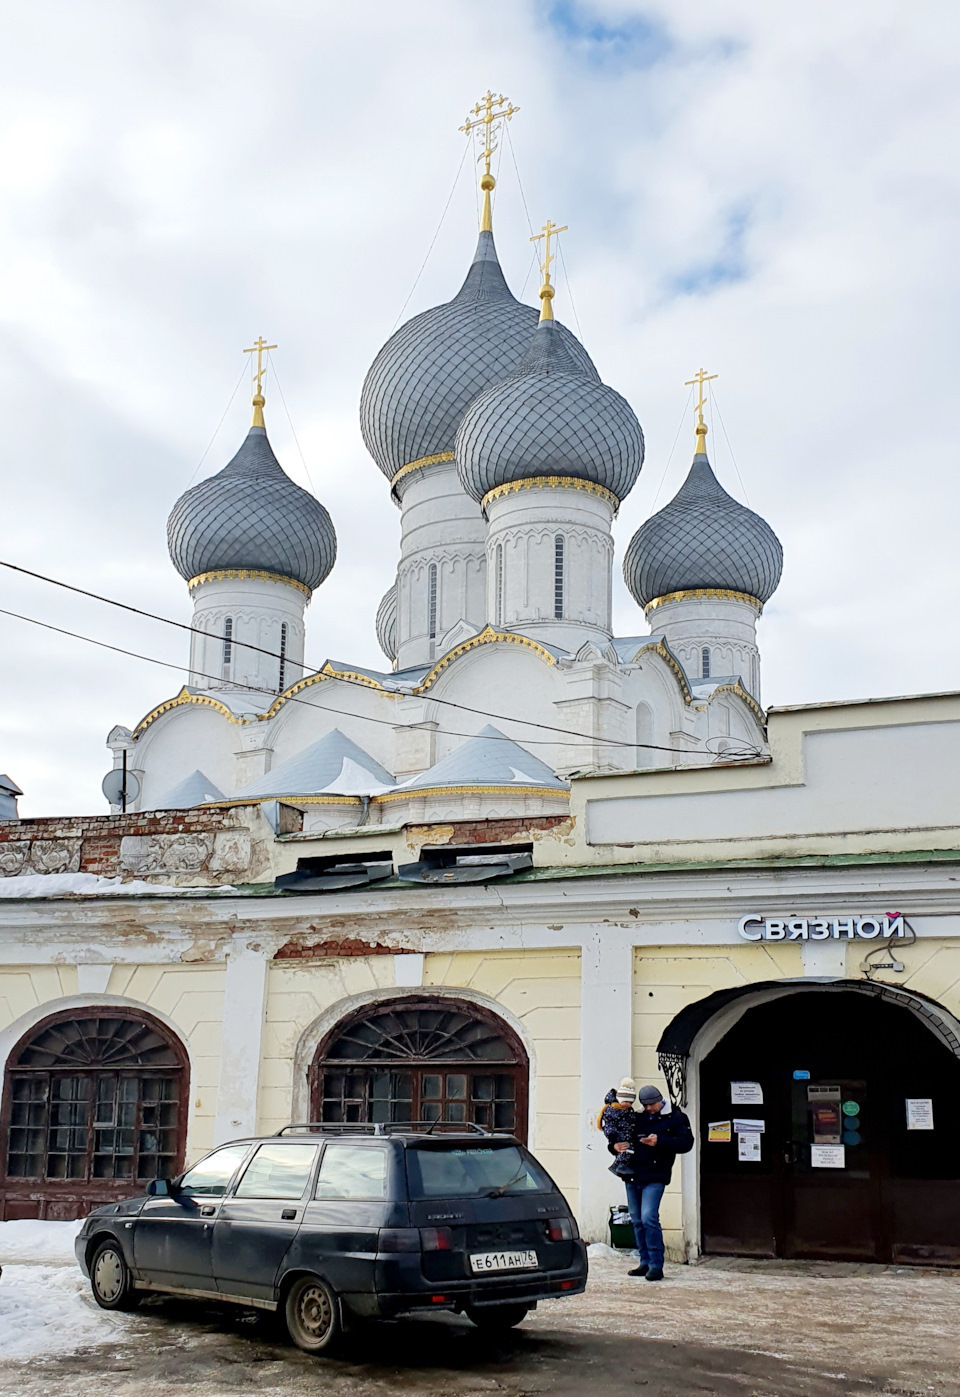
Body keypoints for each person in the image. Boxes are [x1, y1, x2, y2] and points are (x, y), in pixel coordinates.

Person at [600, 1081, 693, 1282]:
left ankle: (656, 1265)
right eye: (645, 1105)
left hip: (656, 1174)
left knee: (649, 1216)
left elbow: (686, 1143)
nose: (648, 1109)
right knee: (637, 1219)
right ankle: (644, 1262)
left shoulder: (675, 1117)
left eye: (651, 1105)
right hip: (632, 1173)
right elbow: (620, 1135)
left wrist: (660, 1141)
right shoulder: (638, 1117)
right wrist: (614, 1146)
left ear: (659, 1101)